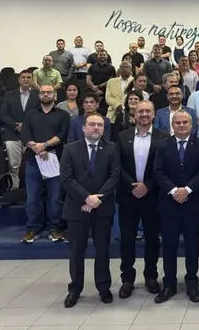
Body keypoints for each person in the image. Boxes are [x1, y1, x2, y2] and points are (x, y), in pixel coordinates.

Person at [60, 112, 120, 308]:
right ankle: (74, 289)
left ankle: (103, 288)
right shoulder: (70, 148)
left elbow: (114, 176)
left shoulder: (112, 148)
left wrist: (97, 199)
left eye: (99, 125)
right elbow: (66, 178)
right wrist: (86, 198)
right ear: (83, 127)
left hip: (102, 208)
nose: (96, 128)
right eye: (92, 124)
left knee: (103, 250)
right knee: (77, 251)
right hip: (77, 207)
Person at [152, 111, 199, 303]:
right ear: (172, 125)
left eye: (185, 122)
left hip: (193, 203)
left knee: (192, 245)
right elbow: (158, 172)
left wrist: (187, 190)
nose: (182, 125)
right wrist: (174, 191)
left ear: (191, 125)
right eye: (178, 122)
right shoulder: (162, 145)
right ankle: (169, 284)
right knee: (169, 245)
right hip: (169, 204)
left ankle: (192, 283)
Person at [117, 101, 169, 298]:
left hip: (153, 196)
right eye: (140, 111)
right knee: (127, 239)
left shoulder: (163, 137)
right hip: (127, 196)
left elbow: (164, 167)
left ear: (154, 114)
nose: (144, 114)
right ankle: (127, 279)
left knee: (152, 239)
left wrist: (147, 185)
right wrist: (133, 185)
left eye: (148, 111)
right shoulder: (123, 136)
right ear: (134, 115)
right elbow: (117, 166)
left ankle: (151, 276)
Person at [20, 85, 71, 243]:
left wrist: (45, 145)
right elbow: (25, 135)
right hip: (33, 159)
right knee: (32, 198)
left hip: (54, 160)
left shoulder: (63, 115)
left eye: (49, 92)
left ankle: (54, 228)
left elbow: (62, 135)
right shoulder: (30, 114)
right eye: (42, 92)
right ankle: (33, 228)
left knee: (55, 198)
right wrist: (36, 147)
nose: (46, 95)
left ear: (54, 95)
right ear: (39, 95)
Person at [0, 70, 40, 189]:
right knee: (14, 165)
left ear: (32, 80)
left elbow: (40, 113)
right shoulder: (9, 95)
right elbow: (3, 114)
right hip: (13, 134)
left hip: (32, 135)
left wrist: (25, 125)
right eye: (23, 77)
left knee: (30, 165)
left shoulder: (38, 95)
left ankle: (29, 188)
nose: (26, 79)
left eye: (29, 77)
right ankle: (15, 188)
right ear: (19, 80)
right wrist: (15, 125)